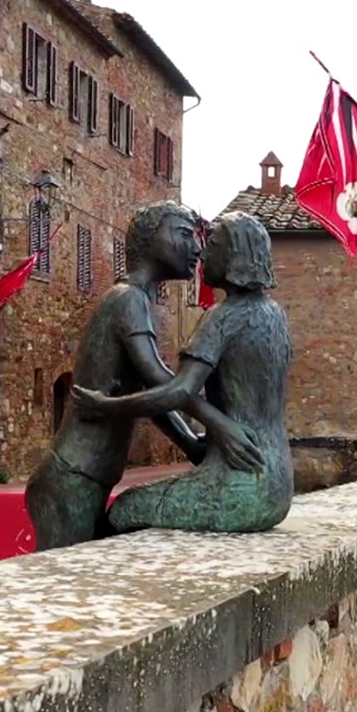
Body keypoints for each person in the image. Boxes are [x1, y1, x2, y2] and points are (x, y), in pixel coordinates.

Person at [24, 202, 264, 550]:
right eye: (184, 235)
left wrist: (191, 445)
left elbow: (157, 395)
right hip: (73, 474)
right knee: (58, 589)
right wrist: (221, 427)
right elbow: (160, 376)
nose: (196, 248)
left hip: (86, 474)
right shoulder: (127, 299)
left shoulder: (139, 300)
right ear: (151, 241)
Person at [72, 211, 293, 534]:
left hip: (240, 485)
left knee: (124, 511)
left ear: (232, 255)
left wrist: (106, 406)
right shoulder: (275, 315)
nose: (203, 252)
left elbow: (180, 391)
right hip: (278, 484)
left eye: (212, 244)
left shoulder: (223, 317)